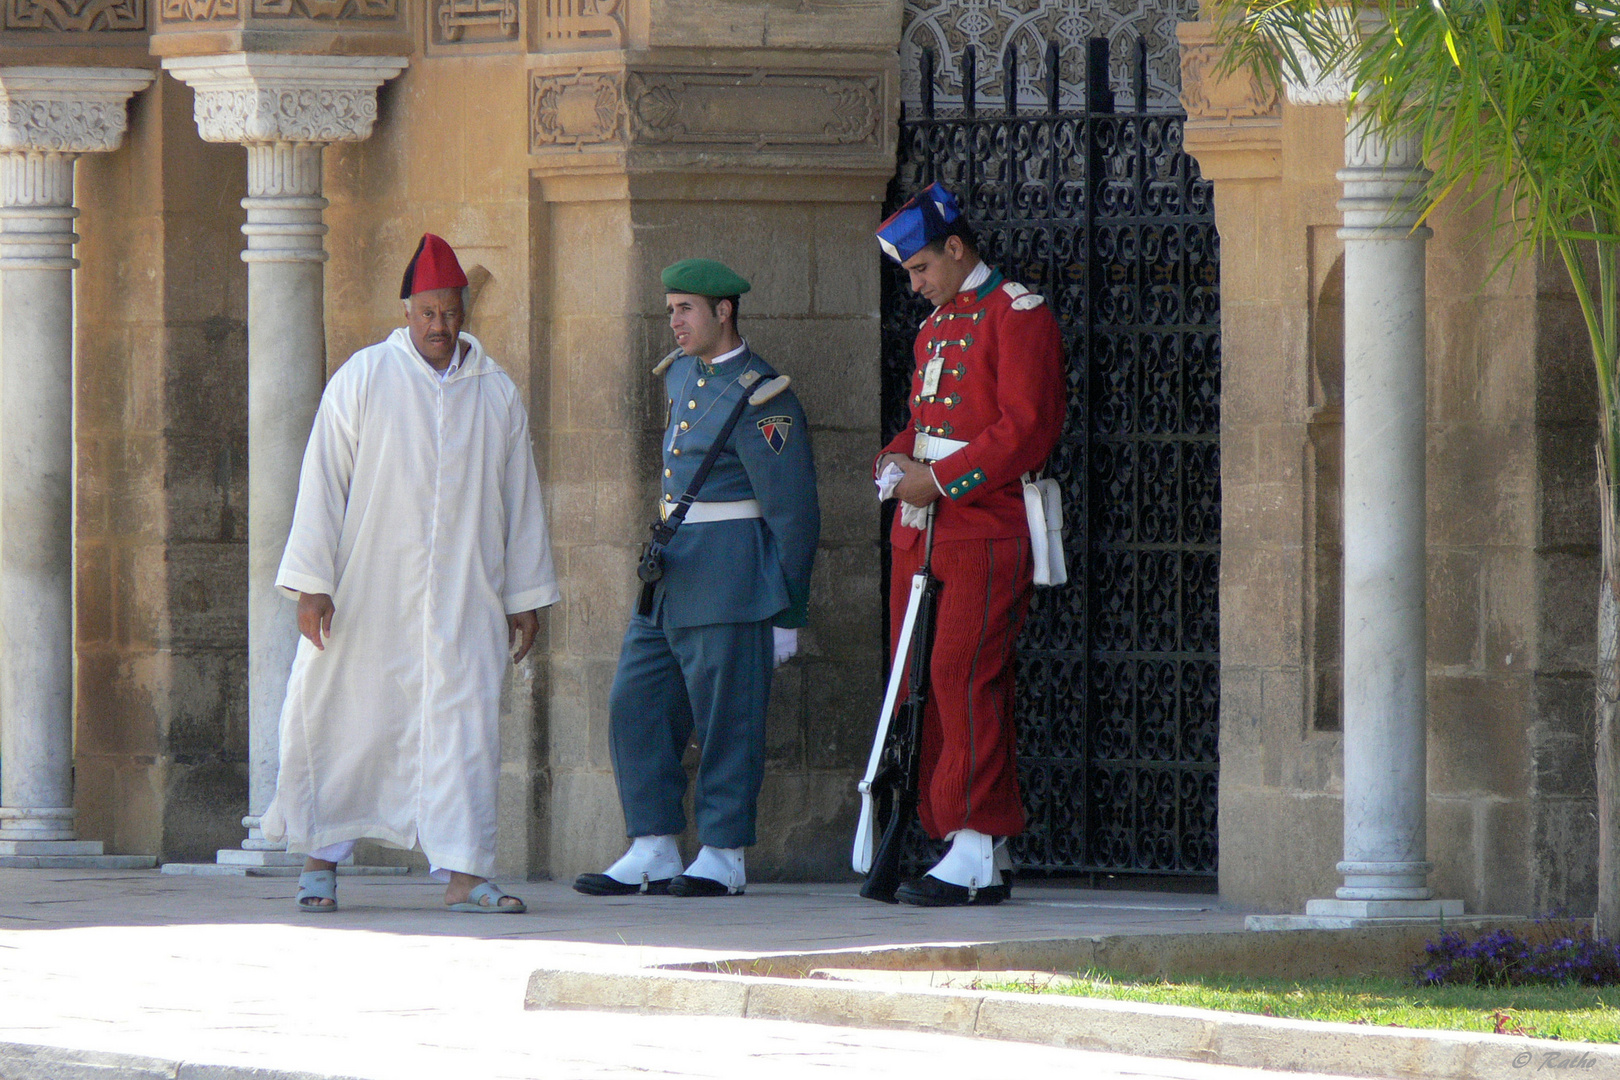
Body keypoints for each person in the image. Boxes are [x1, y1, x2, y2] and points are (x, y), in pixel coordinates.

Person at [263, 233, 560, 914]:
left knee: (465, 727)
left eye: (451, 314)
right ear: (407, 313)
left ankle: (465, 873)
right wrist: (313, 582)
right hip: (369, 594)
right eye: (427, 314)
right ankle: (318, 859)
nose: (439, 327)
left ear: (464, 314)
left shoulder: (496, 393)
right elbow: (321, 483)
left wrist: (524, 596)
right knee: (345, 716)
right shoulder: (363, 380)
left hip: (465, 596)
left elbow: (521, 500)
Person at [573, 258, 820, 899]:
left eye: (686, 308)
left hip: (732, 577)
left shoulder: (765, 396)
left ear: (723, 311)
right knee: (637, 700)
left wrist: (789, 613)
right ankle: (653, 843)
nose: (675, 321)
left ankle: (723, 852)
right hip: (672, 570)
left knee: (725, 718)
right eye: (670, 309)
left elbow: (794, 513)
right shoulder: (680, 374)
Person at [871, 183, 1066, 907]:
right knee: (920, 680)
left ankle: (975, 836)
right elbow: (924, 421)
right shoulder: (936, 329)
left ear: (956, 249)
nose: (915, 286)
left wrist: (939, 480)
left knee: (963, 676)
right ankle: (966, 836)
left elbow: (1025, 429)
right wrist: (893, 463)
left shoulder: (1016, 315)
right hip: (924, 528)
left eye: (921, 269)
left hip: (983, 524)